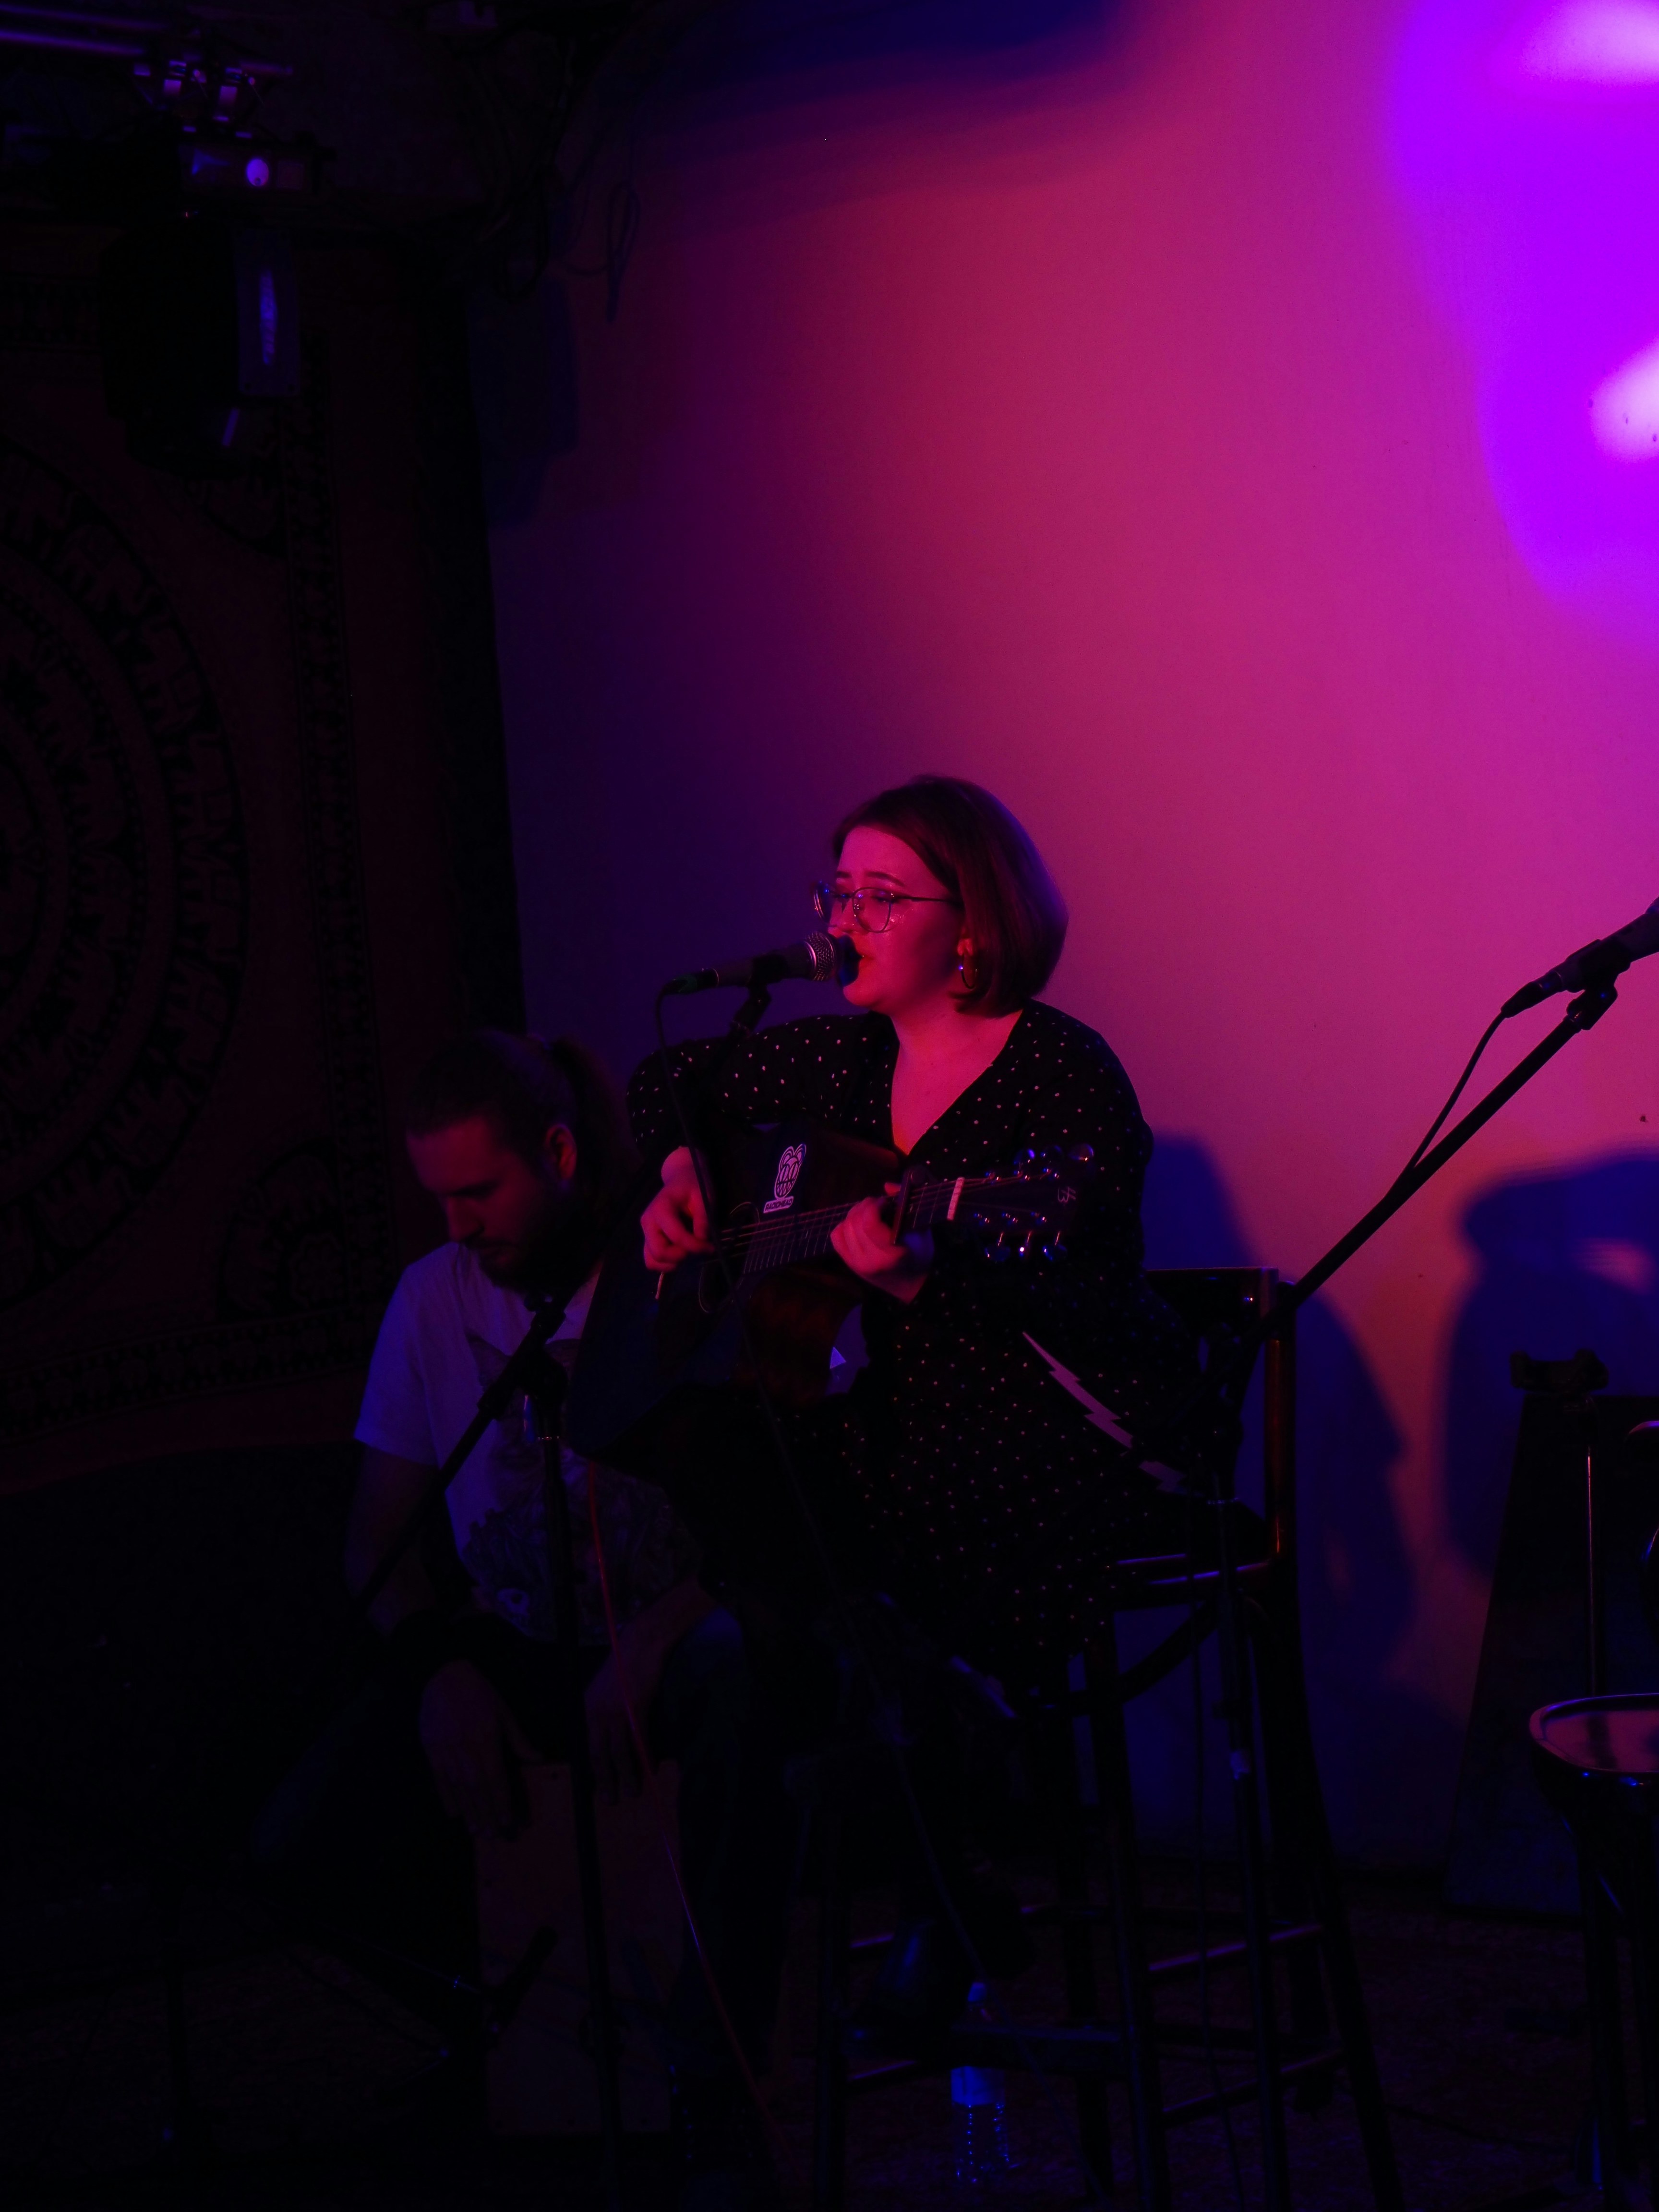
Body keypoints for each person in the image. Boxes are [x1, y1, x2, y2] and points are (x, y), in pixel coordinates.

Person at [629, 776, 1224, 2027]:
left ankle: (934, 1824)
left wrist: (914, 1281)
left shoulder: (1059, 1077)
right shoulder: (836, 1056)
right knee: (711, 1520)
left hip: (1036, 1439)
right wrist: (685, 1168)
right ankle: (734, 2060)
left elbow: (1091, 1290)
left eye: (879, 895)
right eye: (837, 891)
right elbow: (653, 1085)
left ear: (973, 922)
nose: (846, 918)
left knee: (758, 1638)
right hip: (872, 1451)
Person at [254, 1032, 801, 2210]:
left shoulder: (673, 1268)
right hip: (513, 1641)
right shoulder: (430, 1302)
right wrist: (437, 1669)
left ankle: (713, 2078)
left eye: (479, 1192)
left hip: (677, 1631)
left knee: (734, 1683)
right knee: (295, 1842)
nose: (458, 1226)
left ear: (557, 1152)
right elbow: (378, 1538)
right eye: (439, 1198)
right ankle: (510, 2024)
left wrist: (652, 1635)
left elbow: (785, 1528)